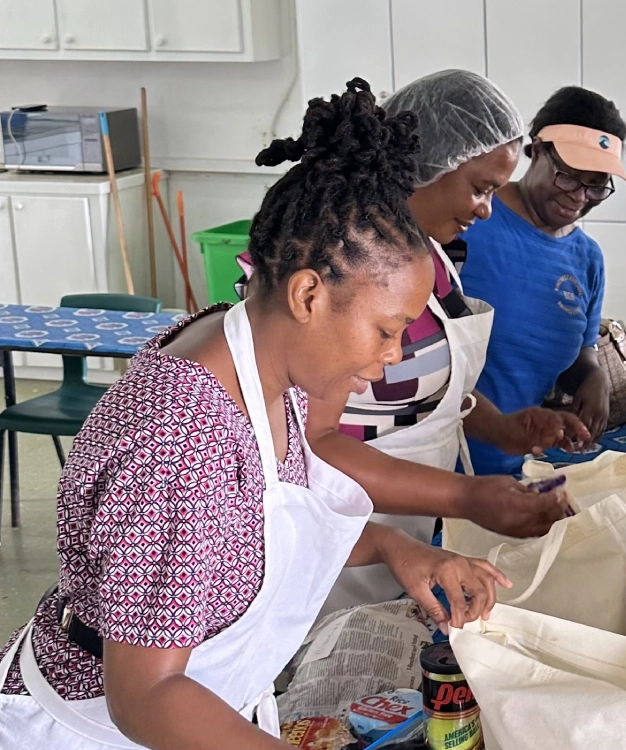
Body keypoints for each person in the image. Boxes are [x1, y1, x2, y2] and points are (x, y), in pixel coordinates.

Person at [0, 79, 508, 750]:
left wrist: (395, 546)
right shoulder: (179, 444)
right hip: (96, 730)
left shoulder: (259, 360)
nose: (390, 358)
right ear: (307, 294)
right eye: (387, 330)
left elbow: (252, 537)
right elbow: (146, 694)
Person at [237, 70, 588, 616]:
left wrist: (502, 426)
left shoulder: (432, 261)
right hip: (337, 543)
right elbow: (315, 441)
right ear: (429, 165)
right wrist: (465, 498)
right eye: (480, 187)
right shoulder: (346, 274)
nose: (487, 209)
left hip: (401, 536)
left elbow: (419, 394)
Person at [458, 86, 626, 476]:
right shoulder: (467, 219)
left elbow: (577, 351)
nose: (580, 197)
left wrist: (592, 375)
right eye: (568, 177)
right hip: (427, 470)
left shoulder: (586, 258)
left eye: (597, 185)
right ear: (535, 150)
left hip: (506, 473)